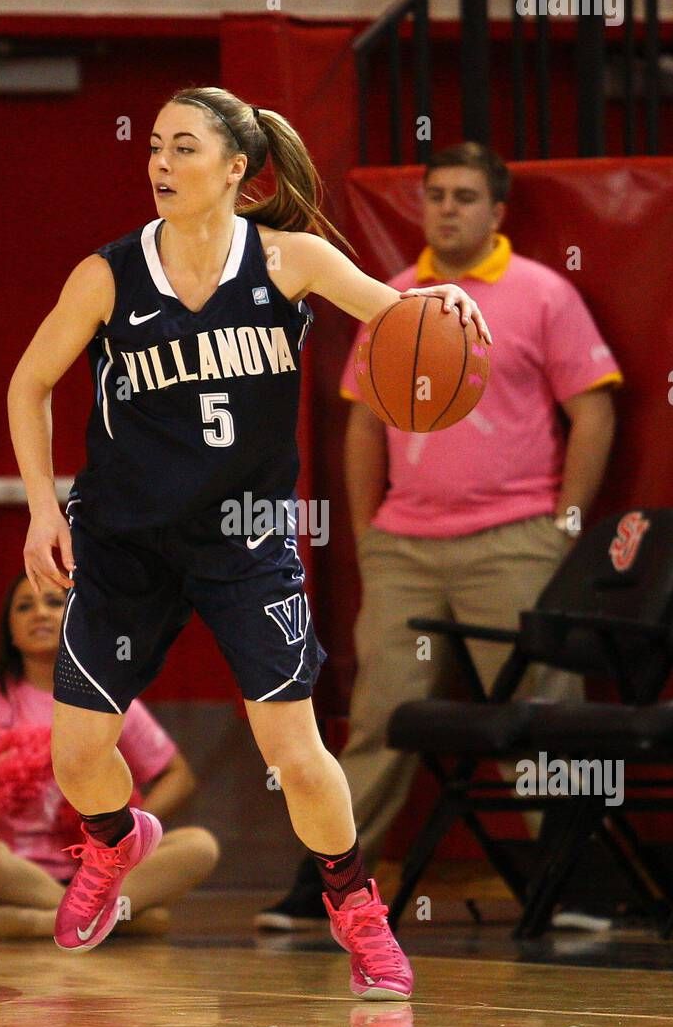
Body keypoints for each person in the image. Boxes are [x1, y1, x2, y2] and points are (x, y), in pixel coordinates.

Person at [6, 86, 491, 999]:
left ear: (236, 169)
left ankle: (356, 913)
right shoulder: (108, 275)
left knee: (298, 757)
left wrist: (448, 314)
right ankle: (115, 843)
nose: (159, 163)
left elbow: (397, 315)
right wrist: (40, 507)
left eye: (183, 148)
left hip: (245, 540)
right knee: (77, 755)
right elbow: (27, 384)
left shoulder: (290, 259)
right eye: (153, 145)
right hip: (126, 542)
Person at [258, 141, 622, 933]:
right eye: (435, 195)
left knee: (539, 709)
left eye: (464, 196)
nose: (447, 208)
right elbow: (363, 417)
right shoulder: (389, 296)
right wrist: (364, 527)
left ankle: (572, 885)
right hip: (405, 547)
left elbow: (592, 408)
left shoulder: (541, 293)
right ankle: (325, 886)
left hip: (513, 538)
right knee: (381, 713)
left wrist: (562, 522)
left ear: (496, 212)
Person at [0, 571, 216, 939]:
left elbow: (178, 776)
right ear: (10, 631)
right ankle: (104, 919)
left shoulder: (104, 697)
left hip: (100, 867)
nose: (39, 613)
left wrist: (127, 826)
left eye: (54, 603)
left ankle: (49, 923)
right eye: (25, 607)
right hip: (15, 874)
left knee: (199, 845)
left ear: (77, 619)